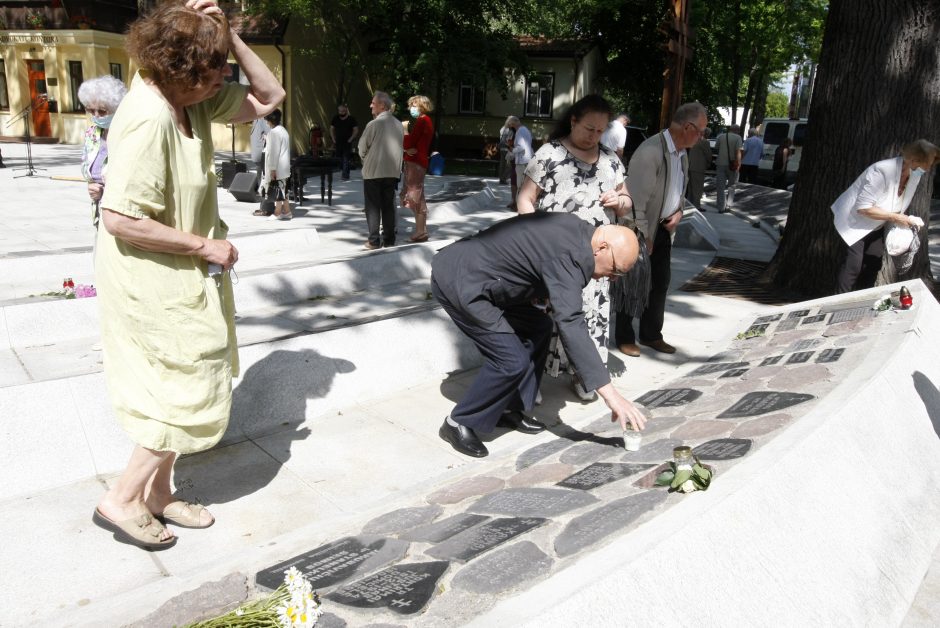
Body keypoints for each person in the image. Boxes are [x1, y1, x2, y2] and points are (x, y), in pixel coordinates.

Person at [92, 0, 284, 550]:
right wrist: (205, 244)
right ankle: (124, 498)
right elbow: (120, 217)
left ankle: (159, 493)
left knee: (186, 376)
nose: (223, 78)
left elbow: (270, 97)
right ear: (185, 71)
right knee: (182, 387)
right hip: (151, 276)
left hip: (185, 273)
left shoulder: (191, 100)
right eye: (216, 68)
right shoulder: (149, 117)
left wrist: (231, 35)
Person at [432, 212, 647, 458]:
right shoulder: (572, 256)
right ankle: (457, 423)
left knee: (539, 327)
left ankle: (507, 407)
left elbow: (535, 256)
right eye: (616, 270)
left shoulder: (581, 232)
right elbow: (571, 322)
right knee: (511, 361)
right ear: (602, 247)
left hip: (495, 281)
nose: (612, 278)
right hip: (464, 281)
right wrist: (611, 395)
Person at [517, 94, 632, 401]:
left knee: (591, 318)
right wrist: (534, 239)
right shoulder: (549, 155)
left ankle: (586, 375)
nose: (594, 136)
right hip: (553, 257)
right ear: (573, 121)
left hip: (596, 262)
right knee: (547, 318)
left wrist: (620, 201)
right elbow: (525, 198)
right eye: (588, 129)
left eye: (600, 131)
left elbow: (627, 201)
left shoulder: (610, 160)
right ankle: (532, 380)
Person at [616, 102, 706, 358]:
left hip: (664, 228)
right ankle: (624, 336)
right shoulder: (651, 151)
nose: (701, 137)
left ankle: (651, 334)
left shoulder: (682, 153)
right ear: (687, 127)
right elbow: (636, 202)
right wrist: (643, 236)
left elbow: (679, 190)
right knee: (633, 283)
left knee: (660, 283)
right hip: (642, 229)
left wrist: (678, 212)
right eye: (700, 131)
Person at [832, 139, 938, 293]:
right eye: (926, 165)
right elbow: (863, 208)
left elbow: (898, 202)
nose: (928, 169)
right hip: (855, 222)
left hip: (877, 223)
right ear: (914, 160)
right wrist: (897, 218)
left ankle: (863, 299)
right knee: (853, 265)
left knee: (874, 263)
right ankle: (839, 301)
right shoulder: (882, 171)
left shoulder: (915, 174)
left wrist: (906, 219)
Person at [78, 74, 127, 228]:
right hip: (100, 209)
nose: (96, 116)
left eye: (103, 111)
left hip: (123, 212)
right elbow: (87, 166)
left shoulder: (127, 133)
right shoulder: (92, 133)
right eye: (91, 111)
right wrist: (91, 186)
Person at [358, 91, 404, 250]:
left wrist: (365, 160)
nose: (370, 105)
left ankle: (374, 240)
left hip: (374, 171)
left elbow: (361, 147)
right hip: (392, 171)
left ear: (382, 105)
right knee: (388, 206)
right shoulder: (398, 124)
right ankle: (389, 240)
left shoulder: (374, 124)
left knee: (372, 206)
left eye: (373, 103)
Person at [401, 95, 434, 242]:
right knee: (415, 195)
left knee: (416, 196)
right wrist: (407, 149)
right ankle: (421, 230)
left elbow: (409, 143)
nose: (411, 108)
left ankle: (421, 232)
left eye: (414, 104)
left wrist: (404, 130)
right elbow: (410, 146)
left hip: (416, 163)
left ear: (422, 105)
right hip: (417, 162)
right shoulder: (425, 121)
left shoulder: (422, 121)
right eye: (411, 105)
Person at [261, 108, 291, 220]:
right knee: (284, 189)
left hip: (278, 166)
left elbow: (274, 152)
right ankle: (287, 211)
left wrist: (272, 169)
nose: (266, 122)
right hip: (285, 166)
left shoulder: (273, 133)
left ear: (270, 120)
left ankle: (277, 212)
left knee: (278, 189)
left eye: (267, 120)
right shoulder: (283, 130)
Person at [714, 124, 743, 213]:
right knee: (732, 185)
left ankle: (721, 207)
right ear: (737, 130)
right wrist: (739, 164)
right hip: (733, 165)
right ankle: (729, 205)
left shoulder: (721, 136)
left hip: (721, 163)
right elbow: (738, 152)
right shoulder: (738, 138)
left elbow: (716, 148)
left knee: (720, 186)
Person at [508, 116, 533, 210]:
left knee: (520, 185)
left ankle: (519, 207)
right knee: (525, 185)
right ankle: (523, 206)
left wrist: (512, 150)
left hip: (522, 161)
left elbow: (521, 147)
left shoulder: (519, 131)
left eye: (510, 124)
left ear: (513, 123)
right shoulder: (526, 130)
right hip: (527, 159)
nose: (510, 127)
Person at [330, 104, 359, 180]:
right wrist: (333, 138)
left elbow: (356, 130)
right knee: (338, 158)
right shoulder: (335, 118)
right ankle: (334, 173)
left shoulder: (351, 119)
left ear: (346, 110)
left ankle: (345, 175)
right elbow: (331, 128)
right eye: (340, 111)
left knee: (346, 158)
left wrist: (351, 138)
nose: (341, 112)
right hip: (337, 141)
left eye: (343, 111)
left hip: (347, 142)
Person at [686, 127, 712, 209]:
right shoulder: (705, 142)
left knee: (690, 187)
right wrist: (709, 162)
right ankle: (696, 206)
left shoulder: (693, 140)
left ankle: (689, 204)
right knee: (698, 188)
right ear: (706, 134)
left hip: (690, 165)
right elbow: (708, 155)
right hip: (698, 167)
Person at [249, 116, 268, 184]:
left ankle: (262, 186)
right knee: (259, 168)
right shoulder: (256, 118)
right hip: (257, 149)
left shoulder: (262, 119)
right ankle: (260, 186)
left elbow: (269, 132)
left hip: (261, 150)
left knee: (262, 168)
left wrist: (266, 137)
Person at [497, 116, 514, 184]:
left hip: (501, 148)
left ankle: (501, 179)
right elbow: (509, 141)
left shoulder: (502, 128)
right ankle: (504, 179)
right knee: (508, 165)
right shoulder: (510, 130)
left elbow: (501, 138)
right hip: (507, 149)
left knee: (502, 164)